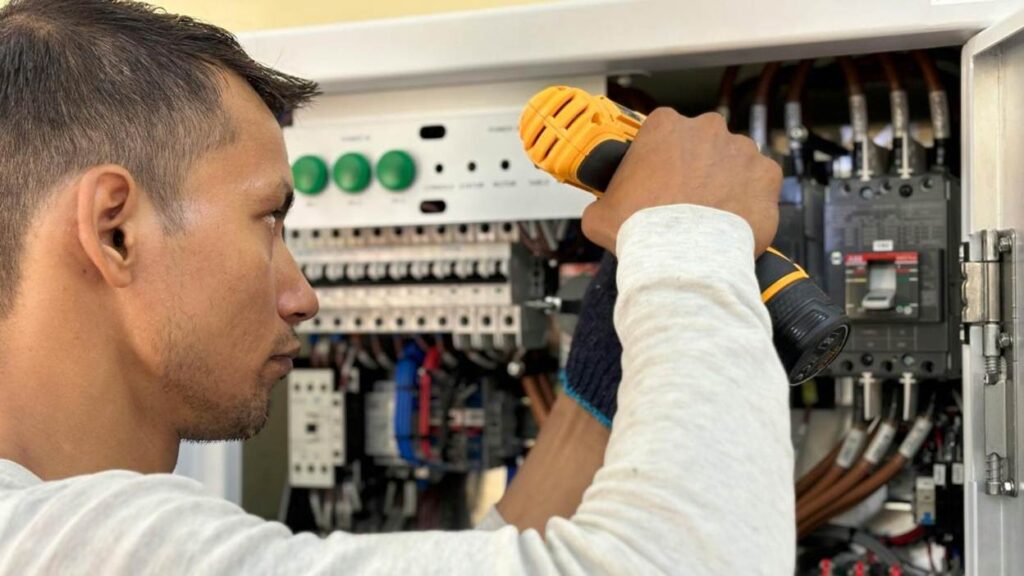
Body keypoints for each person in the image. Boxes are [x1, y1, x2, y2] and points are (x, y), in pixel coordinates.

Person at [0, 0, 793, 573]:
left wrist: (604, 377)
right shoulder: (78, 547)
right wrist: (689, 237)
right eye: (269, 219)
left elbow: (508, 558)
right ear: (115, 230)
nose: (302, 296)